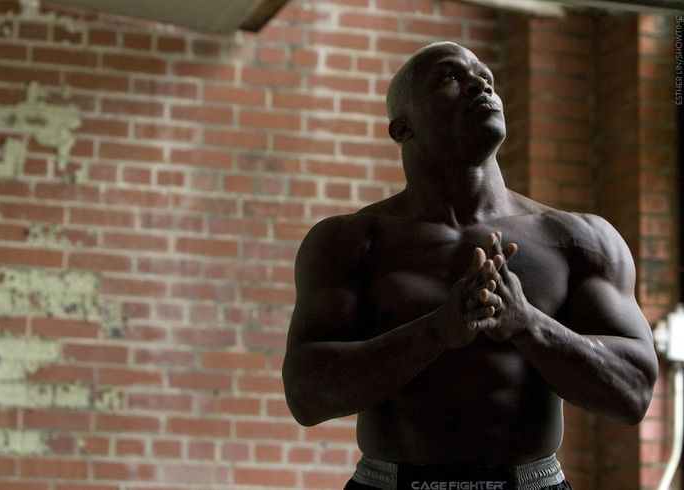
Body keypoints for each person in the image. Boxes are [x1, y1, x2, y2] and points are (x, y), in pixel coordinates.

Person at [281, 41, 659, 490]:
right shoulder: (350, 241)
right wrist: (436, 331)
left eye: (486, 77)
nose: (480, 83)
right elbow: (307, 396)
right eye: (449, 77)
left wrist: (527, 324)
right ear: (402, 128)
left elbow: (633, 392)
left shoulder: (578, 239)